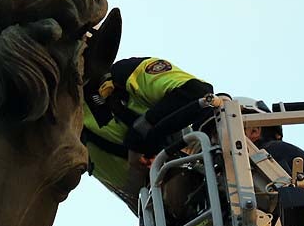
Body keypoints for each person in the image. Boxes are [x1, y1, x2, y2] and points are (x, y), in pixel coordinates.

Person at [81, 56, 214, 212]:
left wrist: (138, 137)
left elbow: (197, 93)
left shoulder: (124, 73)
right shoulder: (56, 123)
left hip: (196, 180)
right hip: (155, 214)